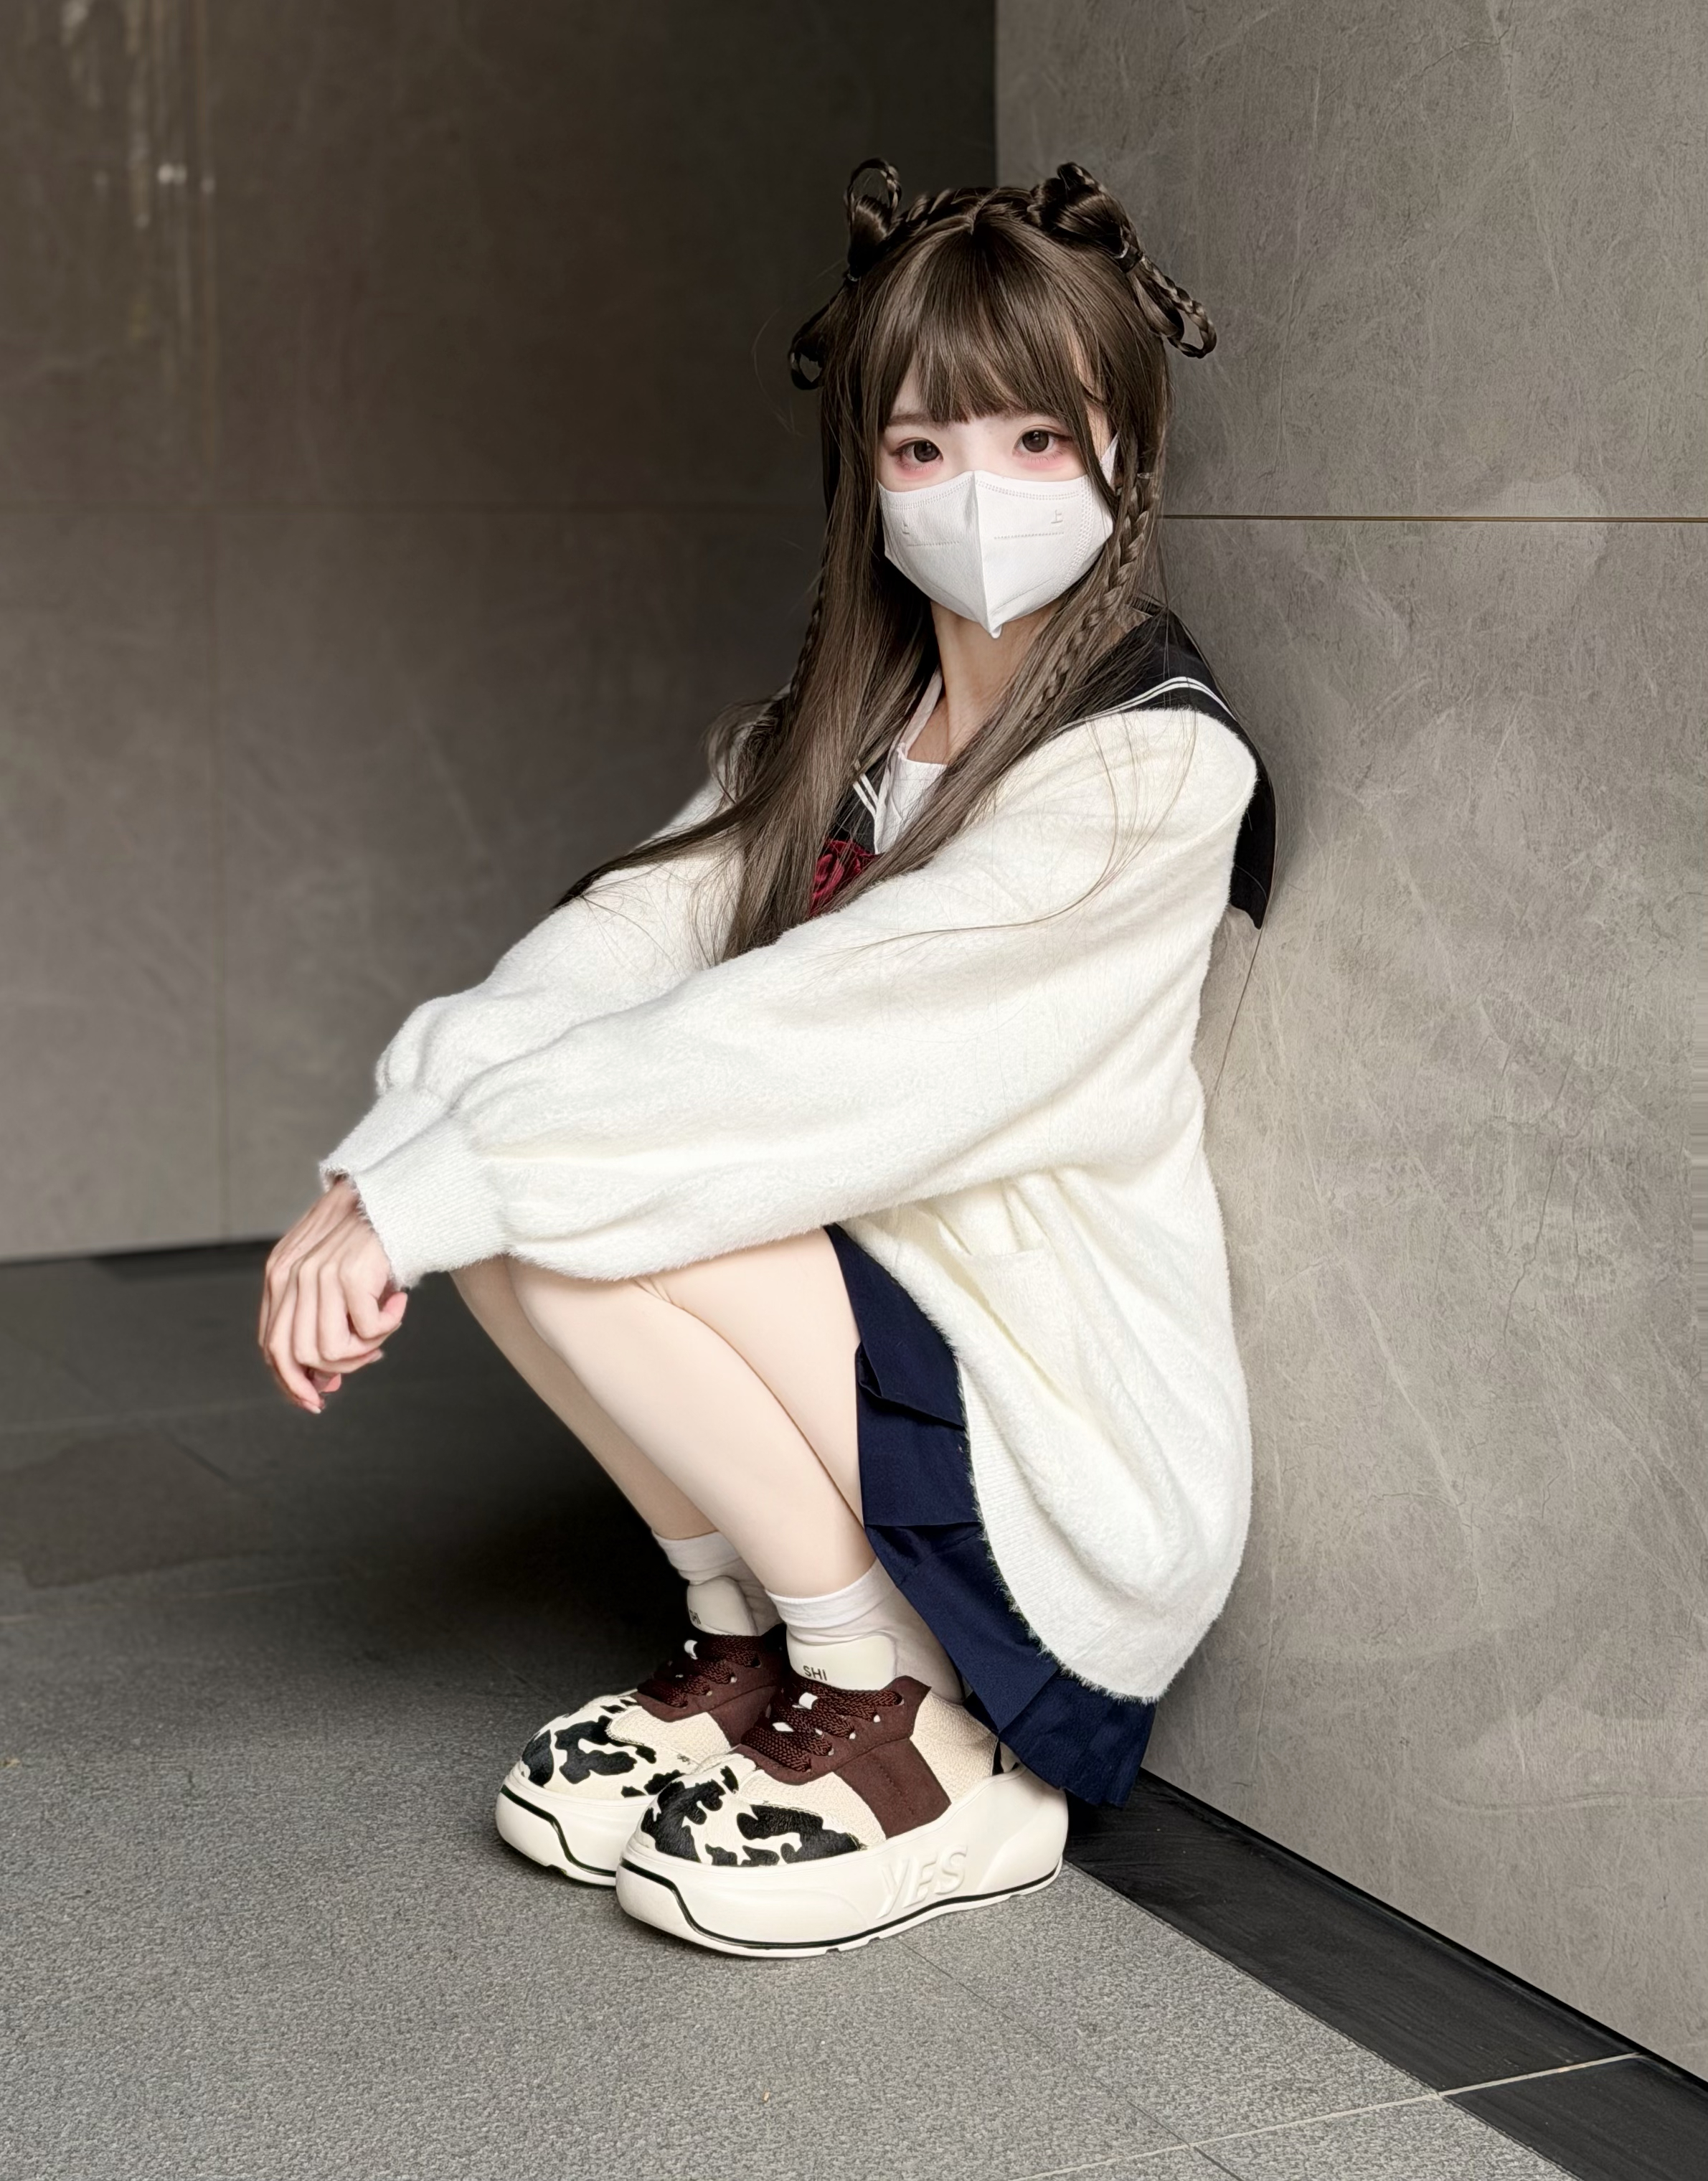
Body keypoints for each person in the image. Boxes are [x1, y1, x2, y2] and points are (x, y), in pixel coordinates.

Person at [257, 159, 1275, 1959]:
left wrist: (436, 1183)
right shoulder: (838, 737)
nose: (981, 493)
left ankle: (909, 1721)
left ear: (1127, 449)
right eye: (924, 448)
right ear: (864, 473)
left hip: (1059, 1412)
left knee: (577, 1196)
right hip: (889, 1315)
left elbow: (806, 1037)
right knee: (519, 1199)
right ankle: (756, 1649)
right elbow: (610, 950)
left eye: (1040, 440)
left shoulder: (1152, 767)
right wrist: (386, 1164)